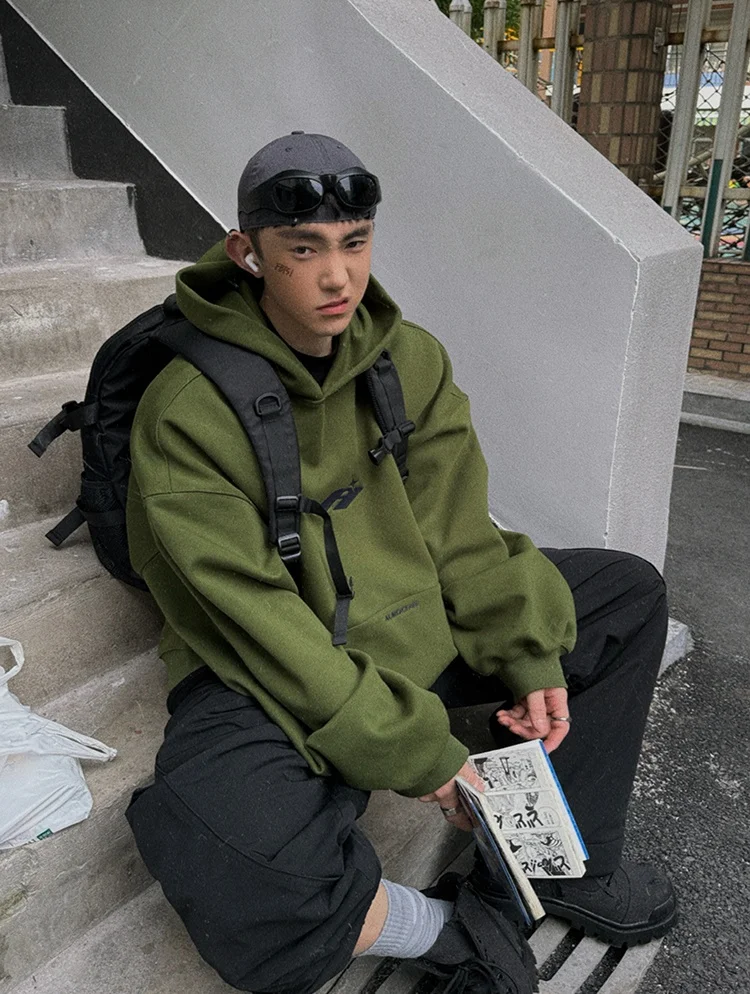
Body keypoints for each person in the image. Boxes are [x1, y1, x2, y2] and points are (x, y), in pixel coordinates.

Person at [125, 131, 676, 994]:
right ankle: (444, 933)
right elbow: (259, 626)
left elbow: (461, 534)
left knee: (625, 595)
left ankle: (570, 860)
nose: (337, 277)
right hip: (274, 661)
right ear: (248, 253)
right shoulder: (186, 411)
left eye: (354, 243)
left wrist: (527, 654)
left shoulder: (405, 360)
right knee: (226, 839)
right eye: (302, 250)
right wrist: (417, 750)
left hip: (412, 622)